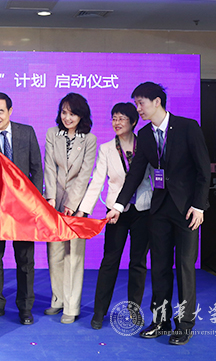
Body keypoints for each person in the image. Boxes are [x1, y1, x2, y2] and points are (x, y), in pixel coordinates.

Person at [106, 82, 210, 345]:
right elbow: (135, 174)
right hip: (159, 209)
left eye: (141, 103)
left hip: (187, 210)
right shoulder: (145, 135)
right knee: (160, 268)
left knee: (185, 267)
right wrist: (118, 205)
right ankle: (161, 321)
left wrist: (199, 205)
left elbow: (203, 170)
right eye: (136, 103)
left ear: (157, 102)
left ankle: (184, 325)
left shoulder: (188, 127)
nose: (138, 108)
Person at [77, 102, 153, 330]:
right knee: (110, 261)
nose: (116, 123)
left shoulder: (145, 145)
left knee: (138, 263)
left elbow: (154, 175)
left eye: (122, 118)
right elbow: (97, 181)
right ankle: (99, 312)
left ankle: (134, 311)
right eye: (114, 118)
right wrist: (84, 209)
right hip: (115, 213)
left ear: (133, 121)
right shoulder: (107, 148)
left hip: (143, 209)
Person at [0, 92, 43, 325]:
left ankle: (25, 308)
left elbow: (36, 169)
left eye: (0, 111)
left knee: (25, 260)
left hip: (22, 208)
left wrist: (34, 202)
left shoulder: (26, 132)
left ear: (10, 111)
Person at [44, 93, 97, 324]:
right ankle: (58, 299)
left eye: (72, 113)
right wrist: (50, 199)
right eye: (64, 112)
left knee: (73, 255)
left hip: (77, 206)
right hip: (53, 202)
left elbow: (85, 174)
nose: (67, 117)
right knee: (55, 253)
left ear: (81, 115)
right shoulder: (51, 134)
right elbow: (49, 167)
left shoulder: (90, 139)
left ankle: (71, 306)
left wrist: (72, 205)